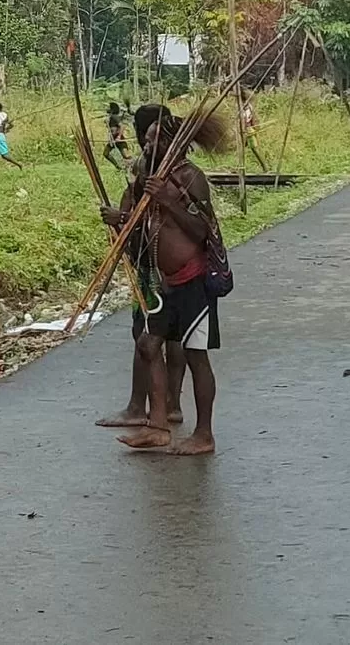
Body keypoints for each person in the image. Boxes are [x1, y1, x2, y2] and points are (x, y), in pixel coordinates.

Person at [101, 105, 230, 455]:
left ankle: (204, 434)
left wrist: (168, 201)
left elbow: (204, 230)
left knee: (195, 355)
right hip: (165, 282)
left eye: (157, 138)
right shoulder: (147, 174)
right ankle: (157, 427)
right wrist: (121, 218)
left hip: (193, 281)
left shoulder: (190, 178)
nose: (147, 142)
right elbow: (144, 223)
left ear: (176, 143)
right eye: (147, 137)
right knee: (147, 344)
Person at [96, 104, 187, 431]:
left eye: (147, 135)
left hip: (156, 266)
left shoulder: (154, 171)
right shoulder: (182, 170)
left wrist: (121, 219)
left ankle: (139, 407)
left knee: (145, 334)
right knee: (175, 335)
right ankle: (171, 406)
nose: (144, 142)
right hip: (175, 267)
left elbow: (146, 219)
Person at [237, 89, 268, 172]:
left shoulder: (249, 108)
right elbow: (241, 120)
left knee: (254, 148)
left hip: (249, 130)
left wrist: (255, 127)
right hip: (244, 131)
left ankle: (265, 168)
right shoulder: (241, 108)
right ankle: (240, 168)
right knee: (242, 149)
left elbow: (253, 119)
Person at [0, 102, 24, 170]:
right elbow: (11, 125)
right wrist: (6, 130)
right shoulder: (5, 115)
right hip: (0, 135)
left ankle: (19, 165)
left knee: (4, 155)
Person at [104, 101, 130, 172]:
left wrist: (118, 137)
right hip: (112, 140)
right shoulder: (111, 117)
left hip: (119, 139)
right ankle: (119, 167)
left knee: (126, 156)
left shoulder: (114, 117)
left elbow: (122, 126)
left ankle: (131, 168)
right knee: (106, 153)